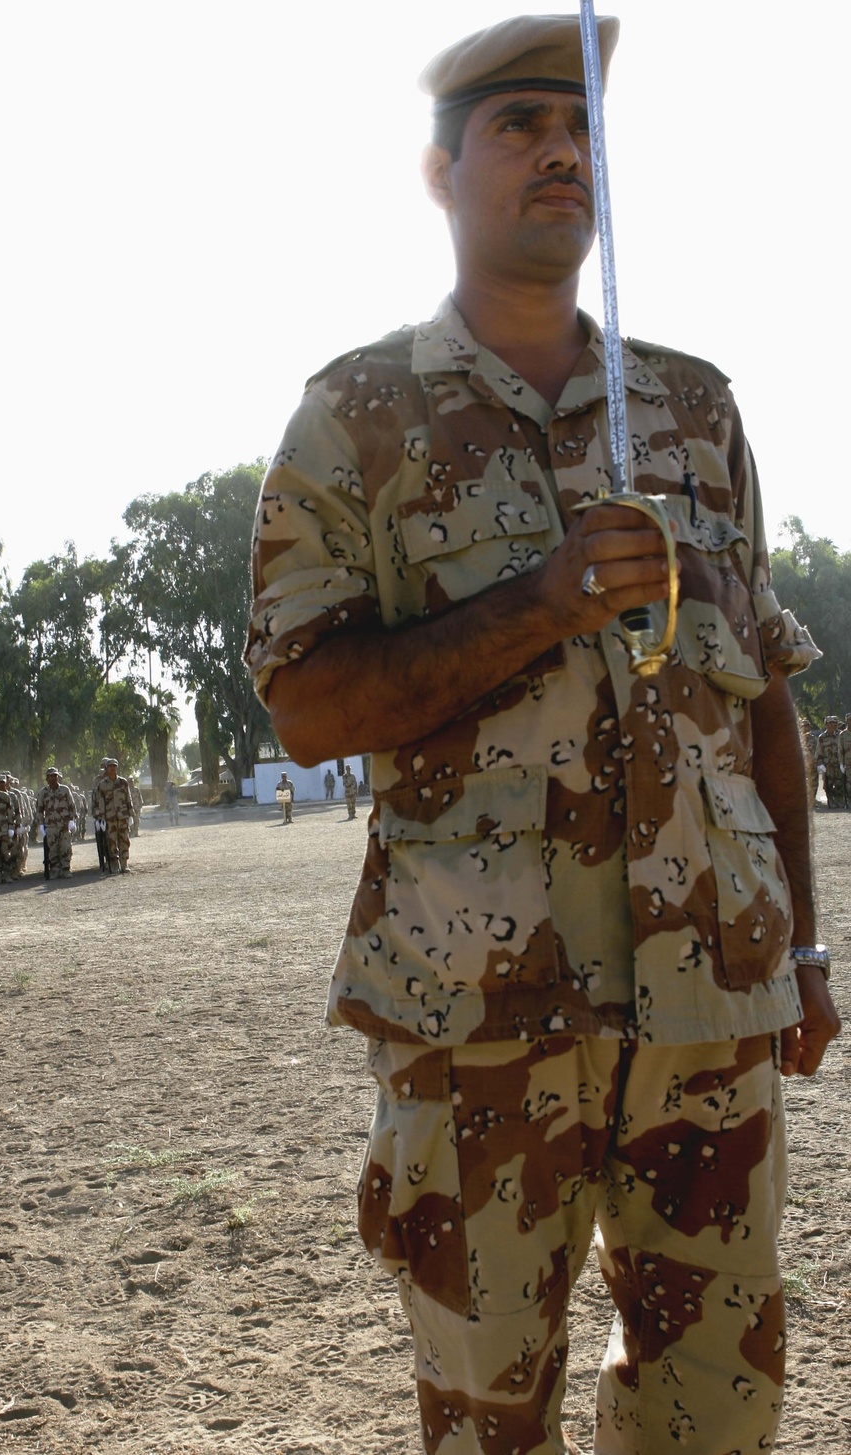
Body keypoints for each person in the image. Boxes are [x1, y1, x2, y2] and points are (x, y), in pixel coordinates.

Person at [245, 15, 840, 1454]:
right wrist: (539, 599)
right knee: (488, 1414)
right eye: (517, 125)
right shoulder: (360, 420)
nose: (562, 149)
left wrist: (806, 945)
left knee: (718, 1412)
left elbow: (765, 696)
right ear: (440, 173)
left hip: (713, 1017)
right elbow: (309, 700)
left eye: (579, 128)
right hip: (481, 1030)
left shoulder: (694, 407)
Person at [36, 766, 77, 878]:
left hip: (64, 824)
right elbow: (39, 809)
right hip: (50, 825)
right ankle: (55, 869)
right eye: (51, 776)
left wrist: (72, 820)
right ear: (47, 778)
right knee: (52, 849)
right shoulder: (43, 792)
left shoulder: (65, 790)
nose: (54, 778)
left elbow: (71, 806)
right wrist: (40, 824)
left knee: (65, 847)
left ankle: (66, 869)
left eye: (55, 776)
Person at [97, 758, 133, 872]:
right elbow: (100, 801)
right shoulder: (102, 785)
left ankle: (124, 863)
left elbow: (128, 799)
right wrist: (101, 818)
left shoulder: (123, 782)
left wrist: (131, 814)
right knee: (111, 841)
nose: (112, 768)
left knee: (124, 840)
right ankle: (114, 864)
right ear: (106, 769)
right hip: (110, 817)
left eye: (114, 766)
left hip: (123, 816)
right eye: (110, 766)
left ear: (117, 768)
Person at [814, 716, 844, 809]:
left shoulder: (841, 735)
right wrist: (820, 764)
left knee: (840, 784)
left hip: (839, 764)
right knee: (829, 785)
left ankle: (839, 801)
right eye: (831, 723)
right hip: (828, 765)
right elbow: (819, 751)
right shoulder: (822, 737)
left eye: (835, 722)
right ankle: (830, 801)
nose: (833, 724)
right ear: (826, 724)